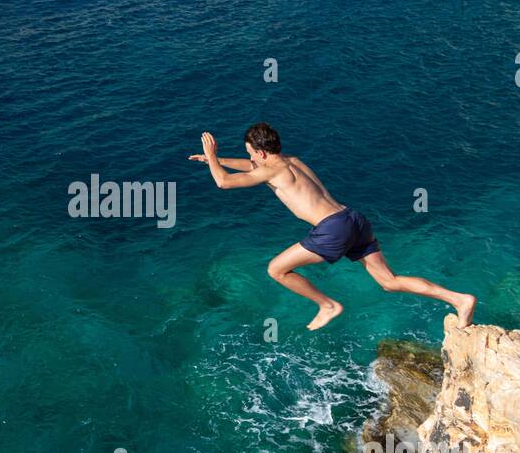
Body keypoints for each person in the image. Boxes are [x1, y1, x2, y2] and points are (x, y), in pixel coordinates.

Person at [191, 122, 476, 332]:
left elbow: (224, 182)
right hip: (353, 219)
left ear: (262, 154)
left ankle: (327, 305)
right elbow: (252, 167)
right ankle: (459, 299)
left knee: (276, 269)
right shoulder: (291, 161)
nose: (251, 158)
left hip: (332, 229)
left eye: (251, 154)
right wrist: (215, 161)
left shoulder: (270, 169)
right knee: (389, 281)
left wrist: (212, 155)